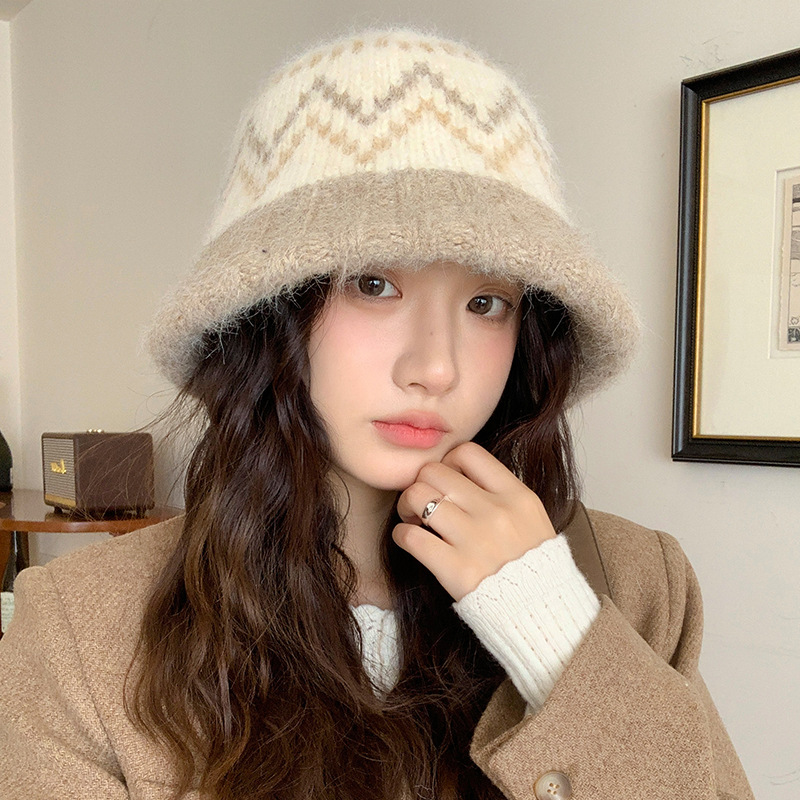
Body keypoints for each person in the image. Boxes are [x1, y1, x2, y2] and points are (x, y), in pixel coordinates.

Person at [0, 25, 755, 800]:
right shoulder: (83, 632)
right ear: (268, 312)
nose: (436, 367)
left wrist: (555, 633)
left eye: (487, 303)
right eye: (373, 284)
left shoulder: (637, 585)